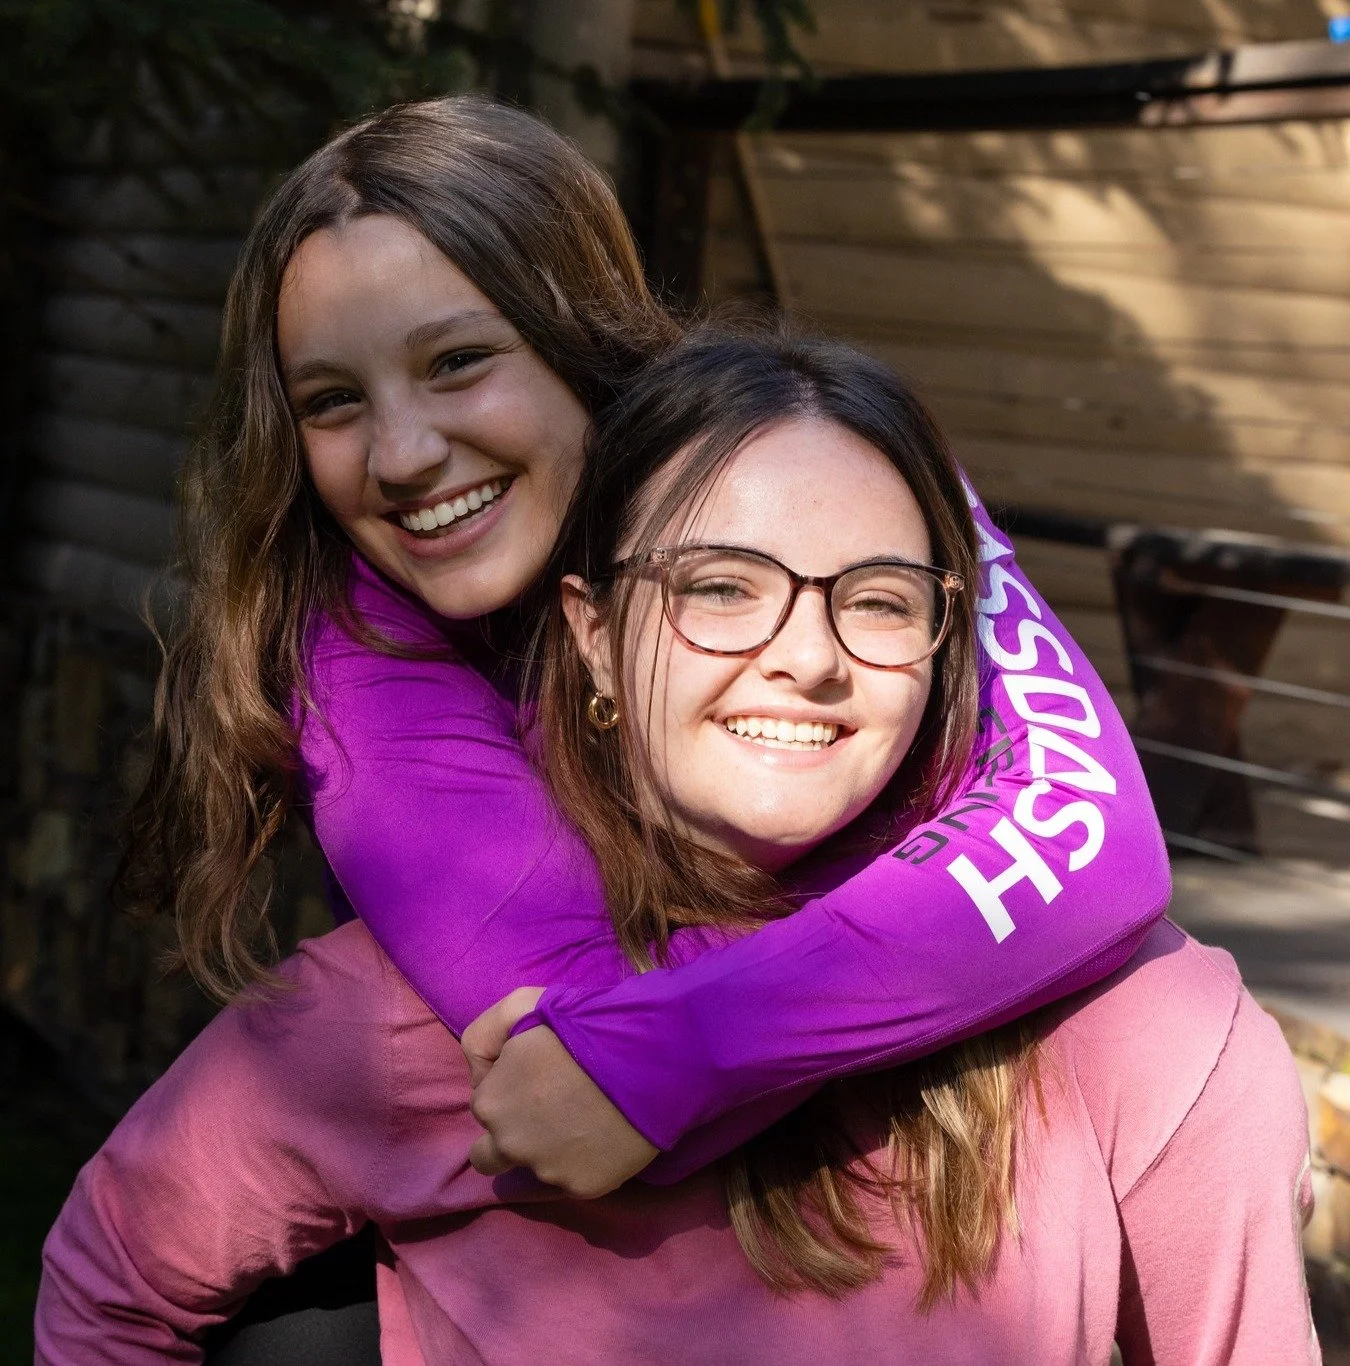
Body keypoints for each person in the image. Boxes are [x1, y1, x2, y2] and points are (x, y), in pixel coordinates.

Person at [38, 330, 1317, 1364]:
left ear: (946, 649)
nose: (807, 656)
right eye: (720, 586)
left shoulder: (1144, 1033)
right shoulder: (407, 1021)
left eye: (878, 600)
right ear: (592, 634)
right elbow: (111, 1281)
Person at [119, 92, 1169, 1207]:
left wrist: (693, 1038)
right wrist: (937, 923)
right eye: (332, 400)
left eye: (459, 361)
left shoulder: (826, 461)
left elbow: (1086, 824)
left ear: (579, 337)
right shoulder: (351, 641)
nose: (403, 453)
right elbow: (574, 1056)